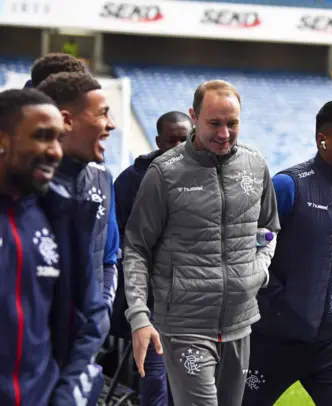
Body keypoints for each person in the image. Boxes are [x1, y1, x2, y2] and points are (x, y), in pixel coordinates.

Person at [123, 79, 280, 406]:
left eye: (232, 123)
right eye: (214, 123)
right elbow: (136, 247)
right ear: (194, 116)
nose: (224, 133)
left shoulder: (255, 165)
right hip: (184, 326)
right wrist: (139, 315)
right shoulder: (165, 173)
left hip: (240, 323)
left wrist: (259, 270)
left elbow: (269, 227)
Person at [242, 100, 332, 406]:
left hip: (330, 341)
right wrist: (278, 304)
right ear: (322, 140)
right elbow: (251, 250)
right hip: (271, 339)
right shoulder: (288, 187)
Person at [0, 88, 107, 405]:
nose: (55, 152)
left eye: (59, 139)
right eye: (42, 137)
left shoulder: (62, 217)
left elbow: (89, 321)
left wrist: (64, 397)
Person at [110, 111, 192, 406]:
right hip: (153, 304)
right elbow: (118, 237)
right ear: (158, 141)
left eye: (185, 139)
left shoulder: (211, 177)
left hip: (196, 303)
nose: (180, 146)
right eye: (172, 140)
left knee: (191, 381)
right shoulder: (131, 180)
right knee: (156, 379)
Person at [37, 72, 119, 338]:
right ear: (67, 120)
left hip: (84, 343)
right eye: (102, 114)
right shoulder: (22, 189)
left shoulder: (103, 179)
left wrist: (102, 313)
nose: (111, 125)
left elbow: (108, 260)